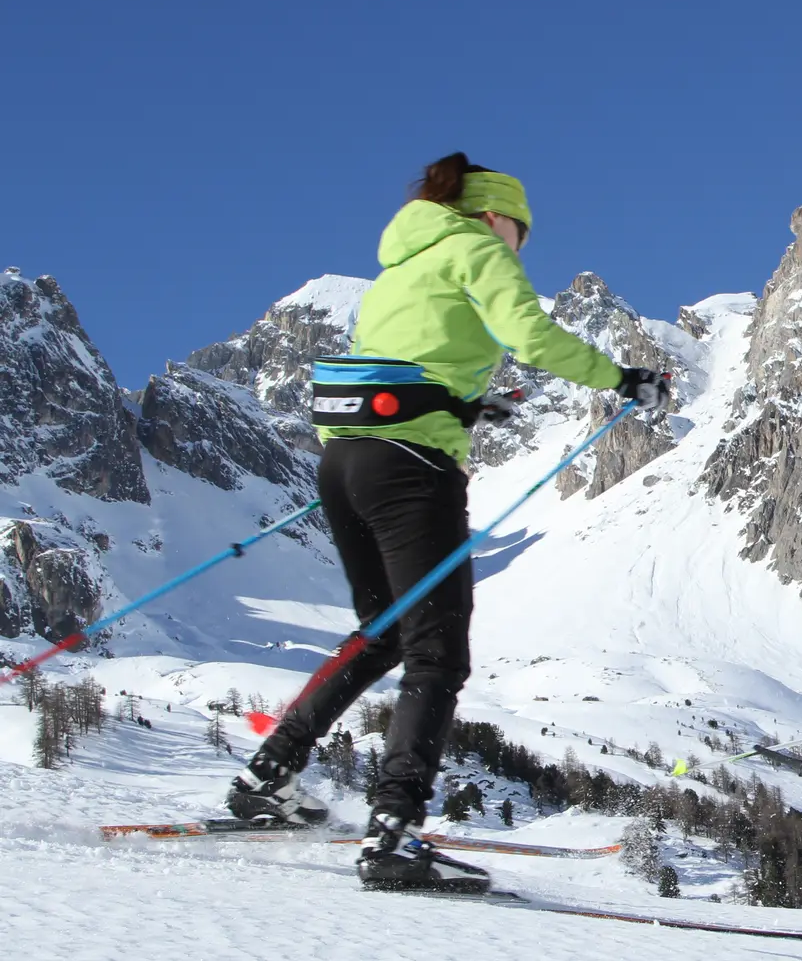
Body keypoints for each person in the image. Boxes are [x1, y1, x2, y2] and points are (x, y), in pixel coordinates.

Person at [226, 153, 670, 892]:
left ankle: (266, 780)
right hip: (410, 471)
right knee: (436, 655)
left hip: (346, 462)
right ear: (498, 217)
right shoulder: (477, 249)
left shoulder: (402, 265)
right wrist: (625, 379)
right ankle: (394, 834)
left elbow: (409, 361)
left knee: (381, 636)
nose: (520, 248)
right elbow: (532, 338)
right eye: (520, 235)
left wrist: (469, 406)